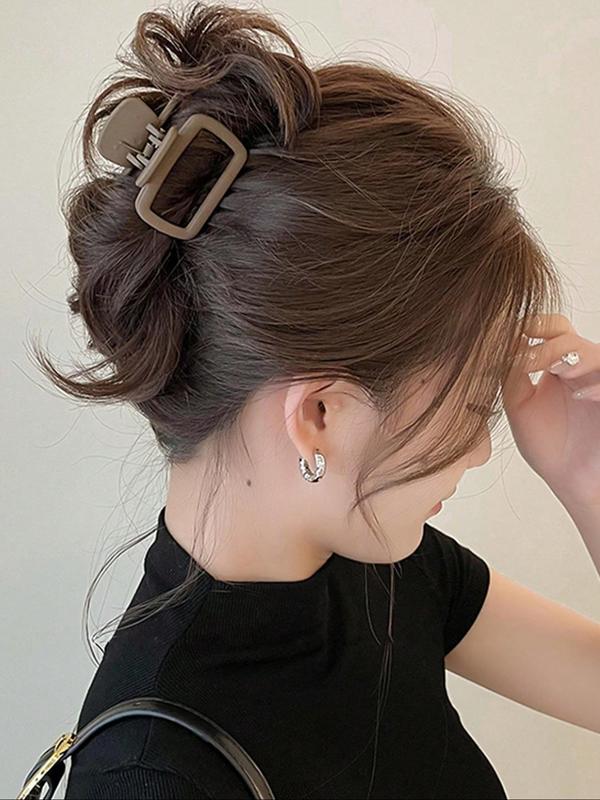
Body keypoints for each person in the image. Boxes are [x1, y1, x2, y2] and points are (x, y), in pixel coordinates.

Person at [31, 2, 570, 797]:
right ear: (320, 417)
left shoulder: (383, 563)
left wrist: (587, 474)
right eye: (467, 407)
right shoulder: (150, 777)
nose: (485, 447)